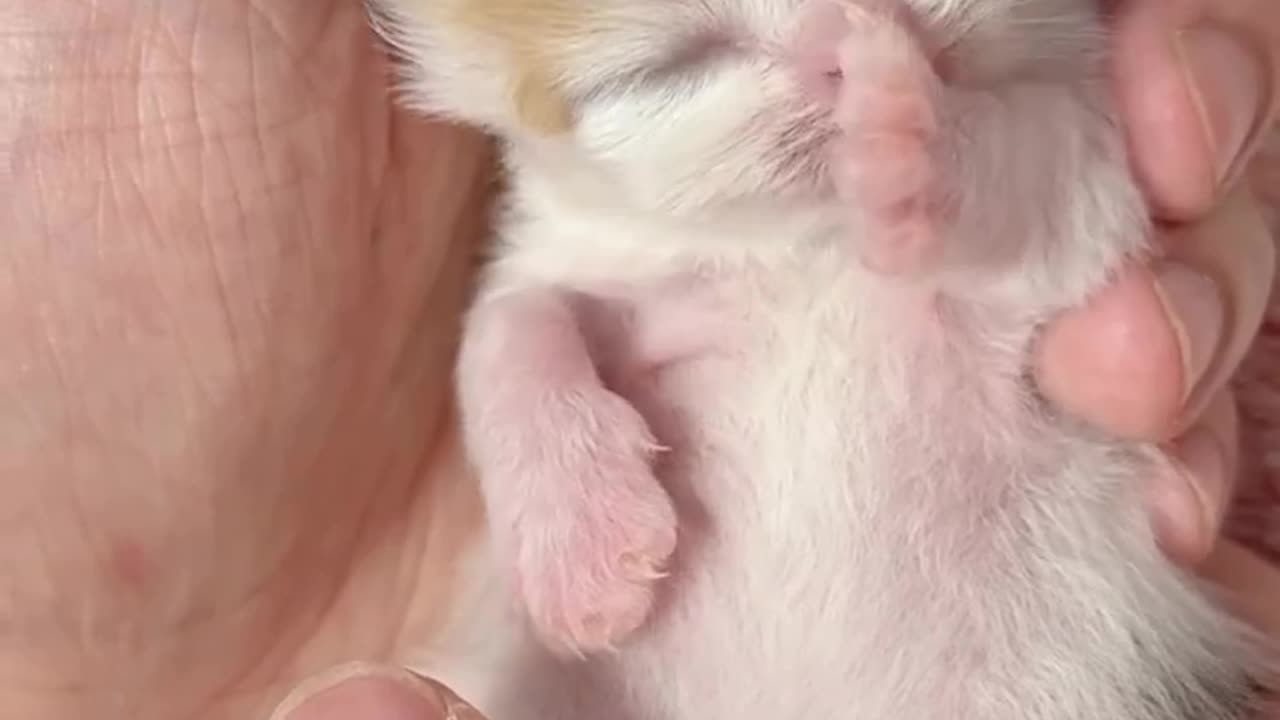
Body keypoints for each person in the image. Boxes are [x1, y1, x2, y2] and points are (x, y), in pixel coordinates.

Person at [2, 1, 1275, 718]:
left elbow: (1069, 222)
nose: (835, 45)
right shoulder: (587, 247)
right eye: (675, 70)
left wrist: (964, 164)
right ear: (490, 106)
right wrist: (552, 456)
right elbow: (524, 328)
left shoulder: (1058, 95)